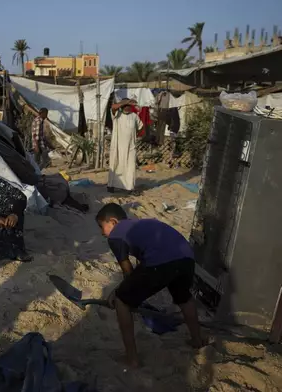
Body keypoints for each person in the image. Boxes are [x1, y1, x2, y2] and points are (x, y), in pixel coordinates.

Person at [95, 203, 204, 368]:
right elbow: (141, 267)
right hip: (186, 258)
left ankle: (132, 359)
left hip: (161, 261)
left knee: (122, 302)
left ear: (114, 222)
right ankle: (197, 340)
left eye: (102, 227)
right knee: (183, 297)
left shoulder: (116, 235)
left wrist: (117, 294)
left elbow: (128, 272)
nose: (102, 233)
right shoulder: (140, 225)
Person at [108, 99, 143, 193]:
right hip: (117, 146)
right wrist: (126, 102)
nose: (127, 107)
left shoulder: (134, 116)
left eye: (129, 106)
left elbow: (140, 127)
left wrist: (133, 137)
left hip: (131, 147)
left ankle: (129, 188)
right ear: (122, 106)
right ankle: (111, 186)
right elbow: (113, 107)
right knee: (115, 164)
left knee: (130, 167)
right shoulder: (117, 115)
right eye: (125, 105)